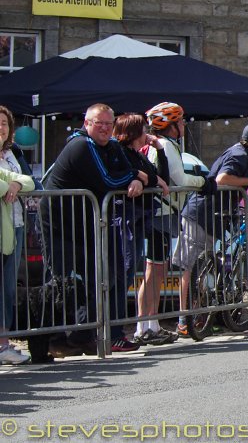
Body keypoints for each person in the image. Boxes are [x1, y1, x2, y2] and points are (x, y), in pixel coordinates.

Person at [40, 103, 147, 357]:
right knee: (57, 283)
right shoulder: (81, 145)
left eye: (109, 124)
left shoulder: (110, 147)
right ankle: (50, 341)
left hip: (86, 223)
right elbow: (107, 180)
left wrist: (141, 176)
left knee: (94, 280)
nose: (104, 128)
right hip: (59, 224)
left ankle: (84, 336)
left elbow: (142, 170)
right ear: (87, 123)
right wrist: (134, 175)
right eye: (98, 123)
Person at [172, 123, 248, 337]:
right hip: (201, 214)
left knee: (207, 263)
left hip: (215, 216)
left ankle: (206, 314)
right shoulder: (239, 155)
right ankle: (183, 319)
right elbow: (222, 179)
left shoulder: (247, 154)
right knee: (190, 266)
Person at [138, 102, 205, 346]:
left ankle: (147, 323)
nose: (184, 124)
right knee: (155, 270)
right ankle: (147, 324)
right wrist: (202, 182)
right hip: (161, 213)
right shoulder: (166, 145)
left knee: (154, 269)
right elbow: (179, 177)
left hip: (160, 212)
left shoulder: (162, 144)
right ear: (171, 125)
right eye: (181, 121)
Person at [112, 114, 170, 350]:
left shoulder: (139, 153)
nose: (147, 131)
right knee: (122, 272)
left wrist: (160, 151)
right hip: (125, 219)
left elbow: (161, 179)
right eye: (143, 128)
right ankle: (115, 331)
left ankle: (123, 330)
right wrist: (142, 177)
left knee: (130, 269)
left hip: (139, 220)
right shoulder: (120, 151)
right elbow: (132, 176)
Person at [0, 106, 36, 365]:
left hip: (15, 224)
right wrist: (10, 183)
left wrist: (16, 183)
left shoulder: (13, 153)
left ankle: (4, 340)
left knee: (9, 288)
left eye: (4, 123)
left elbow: (31, 181)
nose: (1, 128)